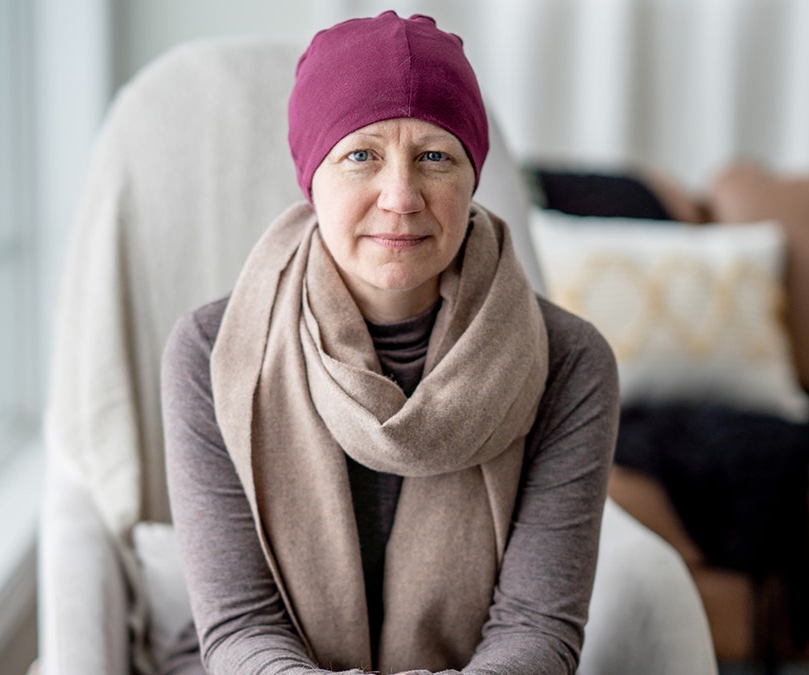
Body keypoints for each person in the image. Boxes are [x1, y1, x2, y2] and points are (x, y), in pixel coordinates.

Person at [160, 11, 618, 675]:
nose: (401, 197)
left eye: (435, 156)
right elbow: (240, 625)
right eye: (360, 156)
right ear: (311, 177)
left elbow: (538, 630)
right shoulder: (210, 350)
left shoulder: (571, 361)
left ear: (473, 177)